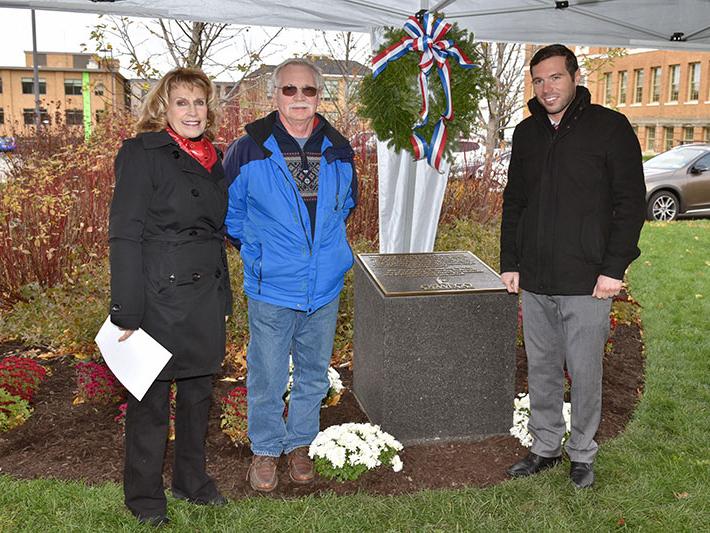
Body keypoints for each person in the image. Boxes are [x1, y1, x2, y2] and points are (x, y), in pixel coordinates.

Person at [500, 44, 645, 489]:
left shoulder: (610, 128)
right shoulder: (526, 134)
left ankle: (582, 452)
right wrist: (511, 262)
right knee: (541, 368)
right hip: (538, 278)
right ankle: (545, 446)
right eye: (539, 80)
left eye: (555, 77)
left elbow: (630, 202)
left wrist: (613, 268)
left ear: (575, 77)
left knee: (584, 371)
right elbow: (515, 202)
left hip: (588, 280)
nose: (547, 88)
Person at [223, 57, 357, 492]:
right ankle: (265, 449)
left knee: (315, 373)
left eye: (309, 91)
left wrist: (325, 255)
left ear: (320, 96)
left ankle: (300, 443)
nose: (299, 98)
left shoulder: (339, 148)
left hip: (324, 287)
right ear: (274, 95)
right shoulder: (249, 148)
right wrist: (259, 252)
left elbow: (346, 207)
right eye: (289, 90)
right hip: (272, 286)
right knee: (268, 373)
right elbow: (230, 213)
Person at [109, 67, 232, 525]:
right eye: (182, 102)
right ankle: (144, 498)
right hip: (158, 295)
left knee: (199, 395)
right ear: (163, 108)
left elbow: (215, 230)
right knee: (151, 401)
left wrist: (225, 301)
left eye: (199, 102)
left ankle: (191, 481)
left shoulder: (213, 157)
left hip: (205, 296)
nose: (193, 111)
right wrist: (126, 309)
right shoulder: (142, 153)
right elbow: (124, 232)